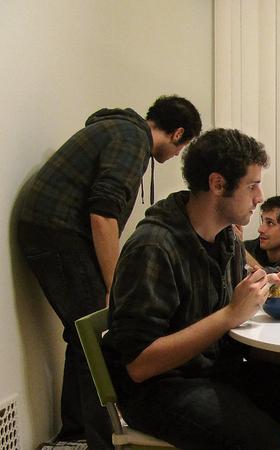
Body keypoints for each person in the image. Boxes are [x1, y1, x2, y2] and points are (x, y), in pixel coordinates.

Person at [101, 128, 280, 450]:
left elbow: (233, 335)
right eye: (252, 185)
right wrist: (231, 314)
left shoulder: (226, 240)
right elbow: (139, 365)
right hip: (159, 389)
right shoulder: (154, 247)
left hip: (216, 369)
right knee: (263, 440)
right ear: (218, 184)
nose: (259, 197)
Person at [16, 95, 201, 448]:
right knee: (97, 338)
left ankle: (76, 432)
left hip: (49, 231)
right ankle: (99, 440)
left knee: (82, 335)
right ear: (178, 133)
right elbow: (103, 214)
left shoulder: (119, 130)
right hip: (56, 233)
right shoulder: (132, 140)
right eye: (183, 146)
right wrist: (116, 287)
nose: (178, 154)